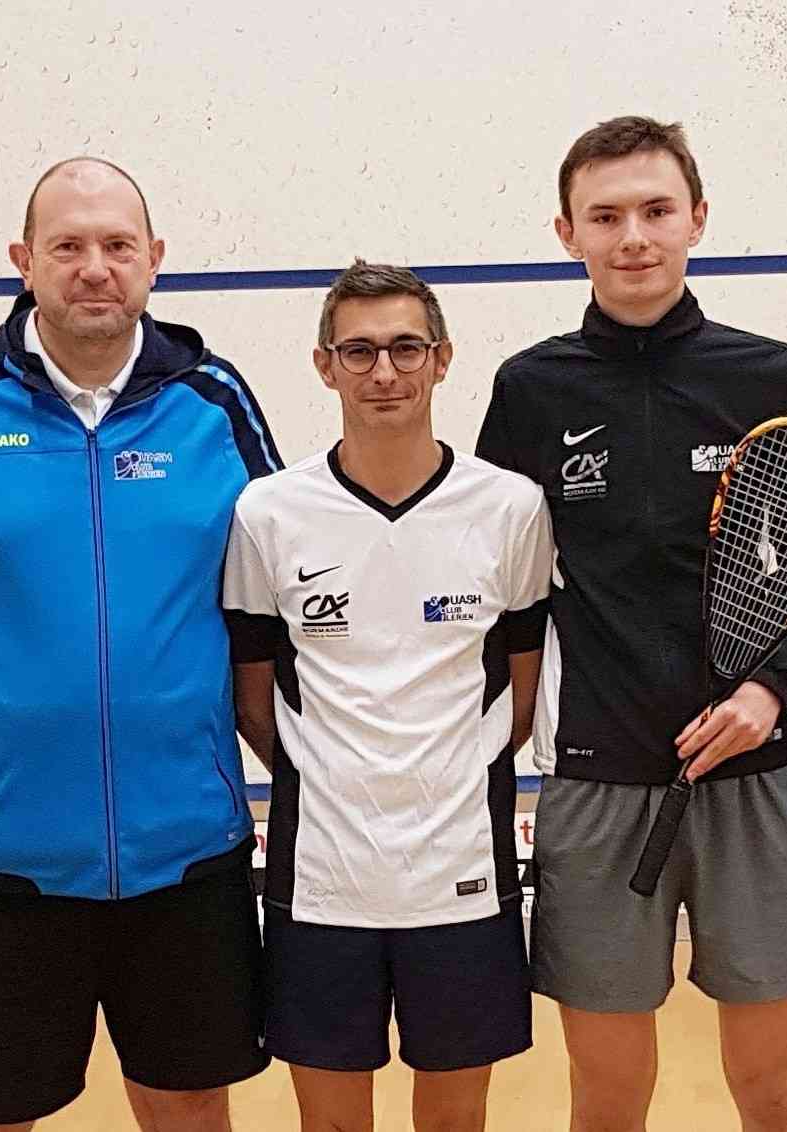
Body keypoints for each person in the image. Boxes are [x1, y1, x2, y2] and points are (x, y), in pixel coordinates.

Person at [0, 157, 280, 1130]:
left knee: (188, 1107)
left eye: (118, 245)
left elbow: (273, 609)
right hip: (2, 857)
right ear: (25, 259)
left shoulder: (217, 404)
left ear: (154, 261)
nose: (96, 266)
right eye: (69, 245)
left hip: (187, 849)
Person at [476, 116, 787, 1132]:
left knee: (773, 1088)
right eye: (606, 215)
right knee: (605, 1096)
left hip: (752, 780)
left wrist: (769, 691)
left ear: (697, 219)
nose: (632, 234)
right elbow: (501, 589)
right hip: (596, 782)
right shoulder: (530, 389)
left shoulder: (767, 374)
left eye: (654, 210)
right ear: (567, 232)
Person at [222, 260, 553, 1132]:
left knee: (453, 1121)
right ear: (324, 365)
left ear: (443, 360)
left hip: (463, 875)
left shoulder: (510, 508)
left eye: (407, 348)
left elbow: (520, 697)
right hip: (321, 879)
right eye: (359, 351)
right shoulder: (267, 513)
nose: (384, 372)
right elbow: (253, 701)